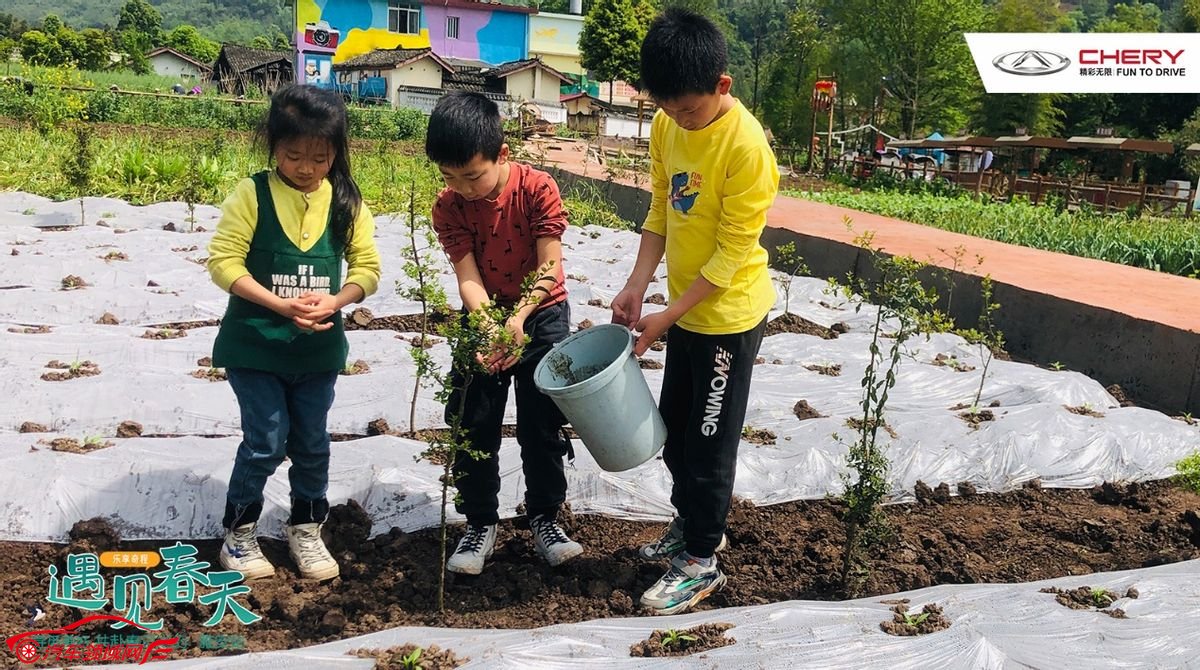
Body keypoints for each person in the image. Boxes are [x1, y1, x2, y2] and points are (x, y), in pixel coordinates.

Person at [610, 8, 779, 615]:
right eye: (668, 108)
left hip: (728, 319)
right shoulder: (666, 125)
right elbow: (661, 210)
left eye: (689, 110)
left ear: (722, 87)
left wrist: (670, 314)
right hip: (684, 313)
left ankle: (703, 560)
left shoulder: (746, 148)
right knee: (675, 435)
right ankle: (690, 528)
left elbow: (734, 254)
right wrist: (638, 286)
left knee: (709, 444)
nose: (678, 120)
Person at [206, 84, 381, 581]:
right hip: (255, 344)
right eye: (294, 155)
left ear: (336, 153)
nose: (306, 167)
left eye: (320, 157)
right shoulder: (252, 193)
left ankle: (306, 528)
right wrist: (280, 304)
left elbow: (367, 268)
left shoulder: (345, 202)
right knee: (264, 441)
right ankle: (238, 535)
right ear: (274, 148)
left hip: (317, 351)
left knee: (311, 444)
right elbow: (223, 263)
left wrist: (337, 300)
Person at [425, 90, 582, 575]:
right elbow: (467, 276)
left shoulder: (537, 189)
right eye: (449, 176)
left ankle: (544, 517)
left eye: (472, 175)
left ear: (502, 155)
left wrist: (519, 321)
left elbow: (549, 266)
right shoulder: (449, 207)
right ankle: (479, 522)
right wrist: (492, 325)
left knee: (541, 422)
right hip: (486, 319)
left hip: (541, 315)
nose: (463, 187)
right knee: (475, 418)